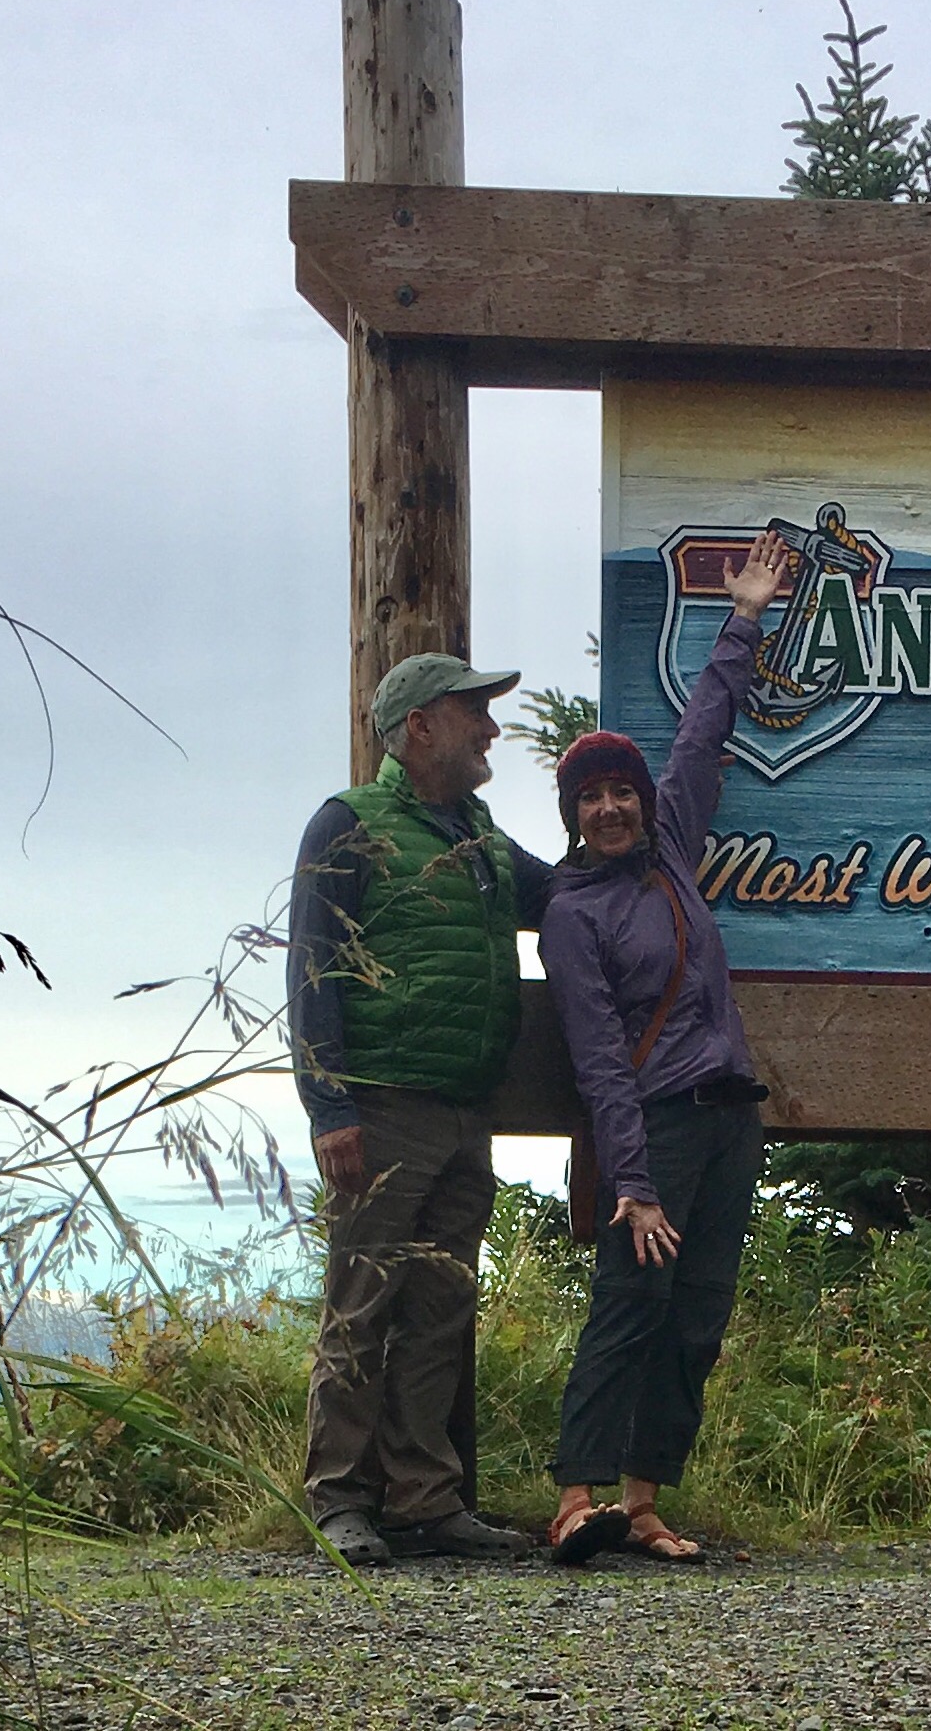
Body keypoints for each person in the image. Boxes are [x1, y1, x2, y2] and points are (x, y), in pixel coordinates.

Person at [538, 529, 789, 1565]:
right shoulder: (573, 914)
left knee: (696, 1318)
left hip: (730, 1122)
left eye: (620, 792)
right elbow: (599, 1058)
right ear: (573, 815)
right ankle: (575, 1500)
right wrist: (633, 1183)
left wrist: (744, 619)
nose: (609, 808)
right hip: (656, 1132)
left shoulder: (671, 853)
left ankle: (642, 1507)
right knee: (629, 1304)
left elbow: (700, 735)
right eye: (589, 798)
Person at [288, 652, 558, 1567]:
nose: (490, 729)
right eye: (472, 711)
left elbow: (563, 893)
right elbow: (312, 970)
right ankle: (338, 1500)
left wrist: (641, 843)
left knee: (440, 1310)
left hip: (464, 1111)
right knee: (361, 1305)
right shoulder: (348, 823)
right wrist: (329, 1107)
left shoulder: (478, 834)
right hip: (381, 1106)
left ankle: (425, 1500)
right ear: (419, 726)